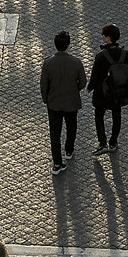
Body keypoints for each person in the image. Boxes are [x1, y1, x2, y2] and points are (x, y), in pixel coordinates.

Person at [41, 30, 86, 175]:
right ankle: (69, 150)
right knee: (71, 127)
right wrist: (74, 89)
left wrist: (46, 99)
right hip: (71, 102)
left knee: (55, 133)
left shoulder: (48, 63)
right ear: (68, 45)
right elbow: (83, 82)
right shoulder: (76, 62)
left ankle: (57, 163)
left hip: (54, 103)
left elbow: (44, 85)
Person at [88, 24, 128, 153]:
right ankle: (113, 142)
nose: (102, 37)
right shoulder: (125, 54)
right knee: (116, 115)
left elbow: (95, 75)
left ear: (107, 38)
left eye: (103, 35)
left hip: (102, 92)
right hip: (119, 90)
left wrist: (90, 87)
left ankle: (102, 142)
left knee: (99, 114)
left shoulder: (101, 56)